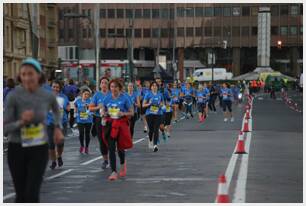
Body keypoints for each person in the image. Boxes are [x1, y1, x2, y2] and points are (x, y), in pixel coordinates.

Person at [4, 58, 64, 202]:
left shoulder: (47, 95)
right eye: (23, 74)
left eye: (30, 74)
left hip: (38, 148)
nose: (26, 77)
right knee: (21, 195)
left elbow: (57, 110)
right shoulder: (13, 96)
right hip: (16, 147)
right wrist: (21, 122)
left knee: (32, 193)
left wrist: (57, 128)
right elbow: (5, 128)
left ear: (38, 75)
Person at [101, 79, 134, 181]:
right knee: (111, 148)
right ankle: (113, 172)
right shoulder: (107, 98)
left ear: (119, 88)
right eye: (111, 87)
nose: (113, 89)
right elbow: (103, 109)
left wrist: (123, 113)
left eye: (115, 87)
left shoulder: (125, 98)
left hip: (121, 124)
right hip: (110, 125)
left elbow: (131, 112)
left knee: (120, 148)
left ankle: (123, 164)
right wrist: (103, 113)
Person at [46, 80, 70, 169]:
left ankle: (59, 156)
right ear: (51, 87)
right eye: (54, 86)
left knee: (60, 144)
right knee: (51, 144)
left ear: (60, 88)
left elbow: (67, 107)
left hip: (61, 124)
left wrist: (67, 108)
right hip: (50, 123)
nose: (55, 88)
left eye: (57, 87)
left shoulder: (64, 97)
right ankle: (53, 161)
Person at [89, 77, 110, 169]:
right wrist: (98, 107)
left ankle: (111, 156)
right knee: (101, 140)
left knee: (111, 139)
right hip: (99, 119)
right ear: (100, 85)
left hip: (111, 119)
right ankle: (105, 160)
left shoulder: (112, 94)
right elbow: (90, 108)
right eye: (102, 83)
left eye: (106, 83)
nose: (104, 84)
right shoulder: (97, 95)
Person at [142, 81, 164, 152]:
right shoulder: (148, 94)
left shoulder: (160, 94)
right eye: (153, 86)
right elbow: (143, 105)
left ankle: (155, 145)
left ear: (157, 87)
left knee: (156, 129)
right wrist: (149, 104)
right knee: (151, 130)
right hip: (149, 114)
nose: (154, 87)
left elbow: (162, 103)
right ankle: (150, 140)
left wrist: (161, 105)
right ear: (151, 87)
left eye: (156, 86)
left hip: (158, 114)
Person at [74, 88, 93, 154]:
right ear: (82, 94)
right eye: (85, 94)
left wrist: (90, 111)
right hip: (80, 120)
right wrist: (75, 112)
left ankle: (87, 147)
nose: (86, 95)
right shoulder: (78, 100)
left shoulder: (91, 101)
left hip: (88, 120)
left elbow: (93, 108)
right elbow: (75, 105)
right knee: (81, 133)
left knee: (87, 134)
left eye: (88, 94)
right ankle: (82, 145)